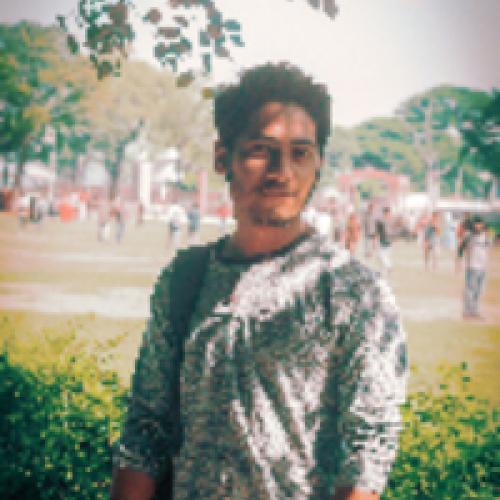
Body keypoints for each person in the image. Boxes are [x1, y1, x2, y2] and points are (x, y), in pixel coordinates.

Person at [111, 63, 407, 500]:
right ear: (222, 157)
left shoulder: (352, 291)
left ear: (319, 163)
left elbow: (368, 452)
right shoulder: (186, 278)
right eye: (260, 150)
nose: (281, 172)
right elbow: (145, 431)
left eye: (300, 153)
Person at [461, 215, 490, 319]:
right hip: (472, 266)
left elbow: (487, 249)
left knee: (479, 290)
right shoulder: (469, 235)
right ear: (473, 224)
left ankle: (475, 311)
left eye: (480, 223)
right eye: (476, 223)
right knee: (470, 289)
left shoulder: (485, 236)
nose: (478, 225)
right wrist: (459, 261)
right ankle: (467, 312)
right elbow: (461, 248)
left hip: (483, 267)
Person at [375, 206, 393, 275]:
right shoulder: (390, 220)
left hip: (384, 240)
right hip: (387, 240)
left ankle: (388, 266)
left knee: (381, 256)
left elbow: (377, 232)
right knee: (384, 256)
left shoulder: (380, 221)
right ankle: (384, 270)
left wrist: (376, 240)